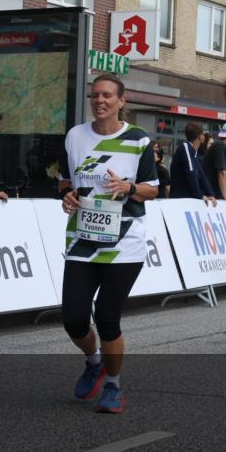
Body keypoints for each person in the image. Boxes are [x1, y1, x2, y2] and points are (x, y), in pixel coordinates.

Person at [59, 74, 158, 414]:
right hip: (82, 241)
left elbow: (153, 188)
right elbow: (64, 180)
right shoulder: (75, 136)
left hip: (124, 244)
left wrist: (128, 188)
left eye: (107, 96)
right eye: (95, 95)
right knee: (73, 317)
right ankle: (94, 361)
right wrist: (67, 196)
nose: (100, 101)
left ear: (121, 101)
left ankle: (114, 386)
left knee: (107, 318)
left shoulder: (137, 139)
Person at [169, 122, 217, 204]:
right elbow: (191, 174)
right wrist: (199, 196)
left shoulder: (194, 153)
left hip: (187, 200)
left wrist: (210, 194)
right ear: (201, 137)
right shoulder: (185, 148)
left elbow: (202, 176)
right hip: (179, 201)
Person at [204, 121, 226, 203]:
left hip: (215, 195)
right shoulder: (220, 146)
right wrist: (225, 196)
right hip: (210, 195)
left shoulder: (224, 147)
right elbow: (222, 172)